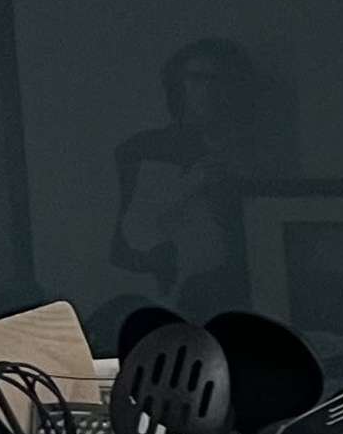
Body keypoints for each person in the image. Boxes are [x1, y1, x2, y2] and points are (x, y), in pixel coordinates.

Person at [105, 37, 288, 312]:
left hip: (249, 298)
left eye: (220, 80)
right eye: (197, 78)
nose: (209, 90)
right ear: (179, 84)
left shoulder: (261, 155)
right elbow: (125, 241)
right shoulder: (146, 150)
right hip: (172, 300)